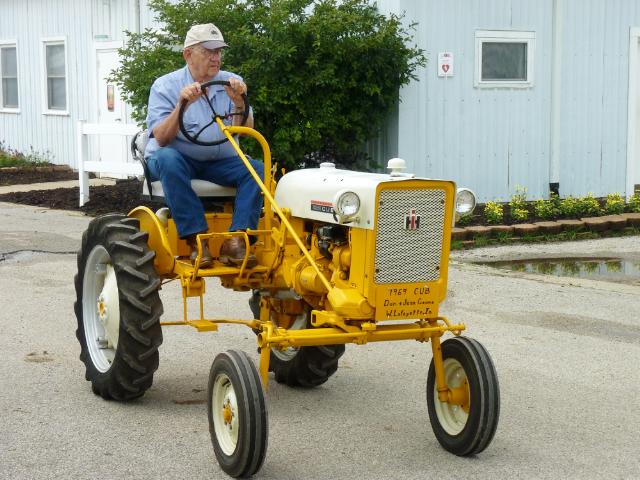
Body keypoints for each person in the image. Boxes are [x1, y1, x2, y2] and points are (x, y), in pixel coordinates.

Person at [144, 23, 263, 268]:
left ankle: (237, 240)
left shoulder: (232, 82)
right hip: (176, 160)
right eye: (208, 51)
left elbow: (246, 129)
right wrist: (181, 104)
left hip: (218, 162)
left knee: (256, 169)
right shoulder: (165, 86)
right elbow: (162, 139)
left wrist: (240, 102)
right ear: (188, 54)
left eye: (219, 51)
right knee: (168, 158)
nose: (215, 57)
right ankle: (197, 240)